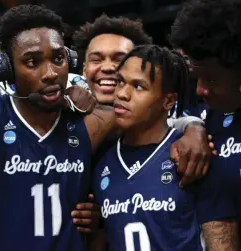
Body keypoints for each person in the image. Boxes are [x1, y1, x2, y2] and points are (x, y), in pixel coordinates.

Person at [0, 5, 112, 251]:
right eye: (32, 62)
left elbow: (157, 120)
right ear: (7, 68)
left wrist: (191, 126)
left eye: (58, 59)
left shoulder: (89, 123)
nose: (50, 73)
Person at [92, 44, 239, 250]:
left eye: (138, 86)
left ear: (169, 101)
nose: (122, 94)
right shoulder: (101, 164)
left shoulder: (194, 157)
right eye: (120, 82)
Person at [72, 14, 212, 186]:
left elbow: (173, 122)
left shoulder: (172, 130)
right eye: (96, 59)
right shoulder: (65, 109)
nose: (108, 67)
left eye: (119, 59)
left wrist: (194, 129)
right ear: (84, 69)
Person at [170, 0, 241, 242]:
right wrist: (192, 126)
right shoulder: (207, 115)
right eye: (197, 77)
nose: (200, 90)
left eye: (210, 80)